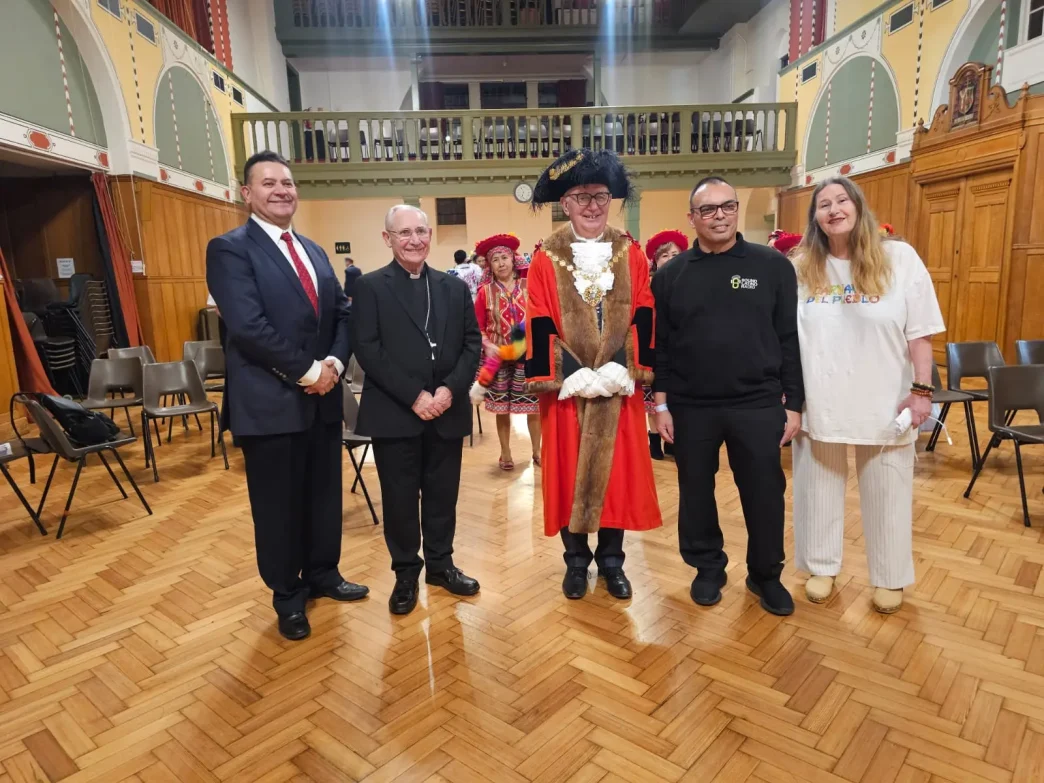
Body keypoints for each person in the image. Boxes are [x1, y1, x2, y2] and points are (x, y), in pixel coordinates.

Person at [206, 150, 366, 642]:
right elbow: (248, 327)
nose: (282, 190)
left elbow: (342, 313)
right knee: (278, 508)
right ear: (246, 193)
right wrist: (308, 370)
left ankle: (324, 574)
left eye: (289, 182)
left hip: (321, 400)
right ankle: (288, 596)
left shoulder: (314, 251)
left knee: (323, 496)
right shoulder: (230, 249)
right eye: (269, 183)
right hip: (270, 403)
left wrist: (335, 365)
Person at [791, 176, 944, 614]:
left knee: (889, 493)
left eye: (841, 200)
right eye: (824, 204)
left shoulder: (899, 258)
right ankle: (822, 566)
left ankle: (890, 576)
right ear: (814, 217)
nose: (834, 209)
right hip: (821, 398)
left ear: (858, 207)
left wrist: (921, 391)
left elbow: (920, 334)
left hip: (885, 401)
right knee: (817, 489)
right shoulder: (801, 266)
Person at [652, 176, 803, 617]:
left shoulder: (772, 267)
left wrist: (793, 401)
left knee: (764, 491)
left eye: (726, 206)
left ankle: (765, 574)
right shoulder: (671, 275)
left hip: (757, 403)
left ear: (737, 210)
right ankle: (707, 567)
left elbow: (789, 337)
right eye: (707, 209)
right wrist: (660, 404)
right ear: (692, 218)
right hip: (690, 404)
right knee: (695, 489)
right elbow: (661, 345)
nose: (718, 215)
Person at [525, 148, 662, 601]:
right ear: (564, 204)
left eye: (600, 196)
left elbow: (644, 309)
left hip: (618, 389)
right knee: (568, 476)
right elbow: (539, 318)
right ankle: (575, 562)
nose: (591, 205)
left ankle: (612, 562)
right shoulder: (546, 257)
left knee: (617, 478)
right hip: (568, 391)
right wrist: (572, 373)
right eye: (581, 196)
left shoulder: (631, 251)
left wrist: (624, 368)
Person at [352, 205, 482, 615]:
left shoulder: (453, 288)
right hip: (396, 412)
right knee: (401, 500)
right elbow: (368, 350)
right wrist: (415, 396)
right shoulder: (371, 287)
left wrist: (447, 391)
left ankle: (441, 566)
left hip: (446, 410)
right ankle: (406, 573)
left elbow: (472, 345)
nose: (415, 239)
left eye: (421, 231)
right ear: (387, 238)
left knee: (443, 497)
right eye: (404, 232)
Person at [472, 233, 540, 470]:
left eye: (504, 257)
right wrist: (488, 345)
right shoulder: (484, 292)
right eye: (495, 260)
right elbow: (477, 327)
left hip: (527, 357)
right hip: (498, 359)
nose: (501, 263)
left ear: (513, 260)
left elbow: (541, 316)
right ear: (489, 265)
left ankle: (537, 451)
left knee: (534, 407)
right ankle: (506, 453)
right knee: (503, 409)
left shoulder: (529, 286)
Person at [642, 230, 688, 460]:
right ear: (656, 261)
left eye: (675, 254)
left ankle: (672, 440)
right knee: (652, 399)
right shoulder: (648, 288)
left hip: (679, 353)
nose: (670, 259)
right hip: (653, 350)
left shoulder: (689, 285)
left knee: (675, 397)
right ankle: (653, 440)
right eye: (664, 256)